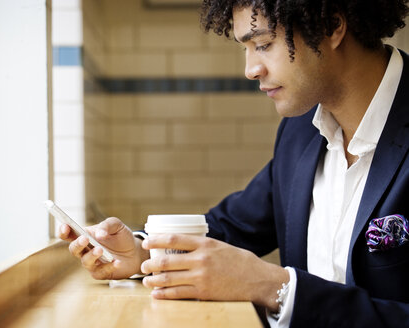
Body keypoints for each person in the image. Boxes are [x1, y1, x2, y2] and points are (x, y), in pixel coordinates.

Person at [60, 0, 409, 326]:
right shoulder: (301, 130)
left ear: (331, 26)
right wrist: (143, 253)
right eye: (246, 48)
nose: (250, 69)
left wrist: (276, 287)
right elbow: (233, 226)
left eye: (263, 44)